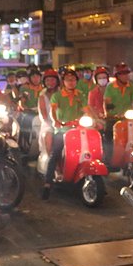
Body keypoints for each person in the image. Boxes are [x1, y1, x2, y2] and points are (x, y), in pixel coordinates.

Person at [41, 68, 86, 200]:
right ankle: (47, 183)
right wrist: (56, 121)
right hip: (62, 131)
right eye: (68, 80)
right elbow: (53, 110)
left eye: (73, 80)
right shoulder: (57, 96)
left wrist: (96, 119)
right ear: (63, 82)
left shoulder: (80, 95)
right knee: (55, 154)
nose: (71, 82)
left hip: (78, 130)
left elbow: (86, 109)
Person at [103, 62, 133, 163]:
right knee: (108, 136)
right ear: (117, 75)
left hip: (128, 117)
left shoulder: (131, 86)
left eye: (126, 73)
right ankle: (109, 159)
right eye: (123, 74)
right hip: (114, 117)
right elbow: (106, 102)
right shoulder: (110, 87)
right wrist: (108, 113)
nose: (126, 76)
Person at [37, 69, 61, 159]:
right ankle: (52, 160)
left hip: (64, 122)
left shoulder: (63, 93)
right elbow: (44, 115)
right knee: (49, 135)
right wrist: (54, 123)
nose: (50, 82)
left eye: (52, 80)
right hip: (49, 124)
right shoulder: (42, 96)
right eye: (47, 80)